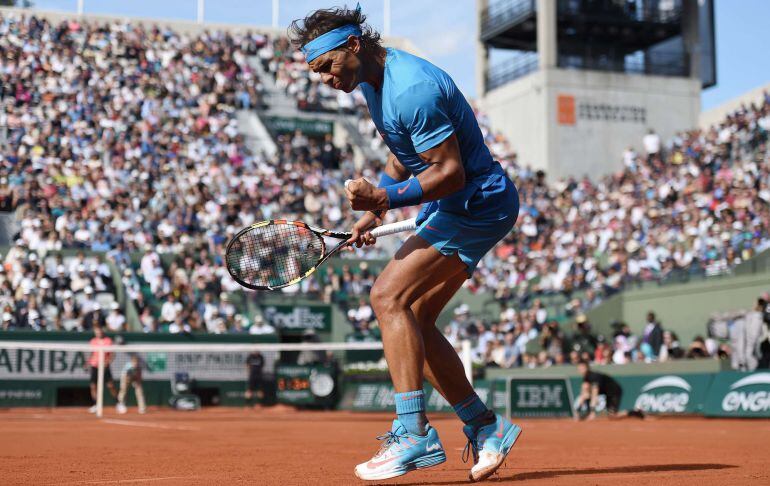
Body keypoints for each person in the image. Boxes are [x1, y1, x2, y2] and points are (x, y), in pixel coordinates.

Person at [290, 5, 521, 481]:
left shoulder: (410, 88)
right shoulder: (375, 80)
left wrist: (386, 199)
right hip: (464, 203)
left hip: (476, 204)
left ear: (353, 45)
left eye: (327, 66)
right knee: (412, 316)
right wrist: (377, 206)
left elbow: (450, 172)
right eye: (317, 72)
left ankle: (413, 433)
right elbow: (405, 157)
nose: (326, 80)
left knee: (386, 296)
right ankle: (485, 426)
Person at [575, 360, 644, 420]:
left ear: (587, 367)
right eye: (579, 368)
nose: (581, 370)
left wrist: (592, 412)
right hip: (606, 392)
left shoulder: (593, 376)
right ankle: (587, 413)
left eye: (582, 367)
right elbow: (584, 394)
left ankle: (635, 412)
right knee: (585, 389)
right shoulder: (586, 378)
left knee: (613, 416)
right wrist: (577, 410)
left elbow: (594, 394)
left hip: (614, 391)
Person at [85, 326, 119, 413]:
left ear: (102, 332)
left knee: (110, 386)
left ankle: (118, 403)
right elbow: (91, 353)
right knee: (93, 386)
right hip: (94, 366)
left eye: (99, 332)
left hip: (105, 367)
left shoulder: (108, 341)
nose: (98, 334)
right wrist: (87, 362)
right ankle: (95, 405)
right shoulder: (92, 341)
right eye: (96, 332)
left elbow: (112, 354)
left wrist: (108, 362)